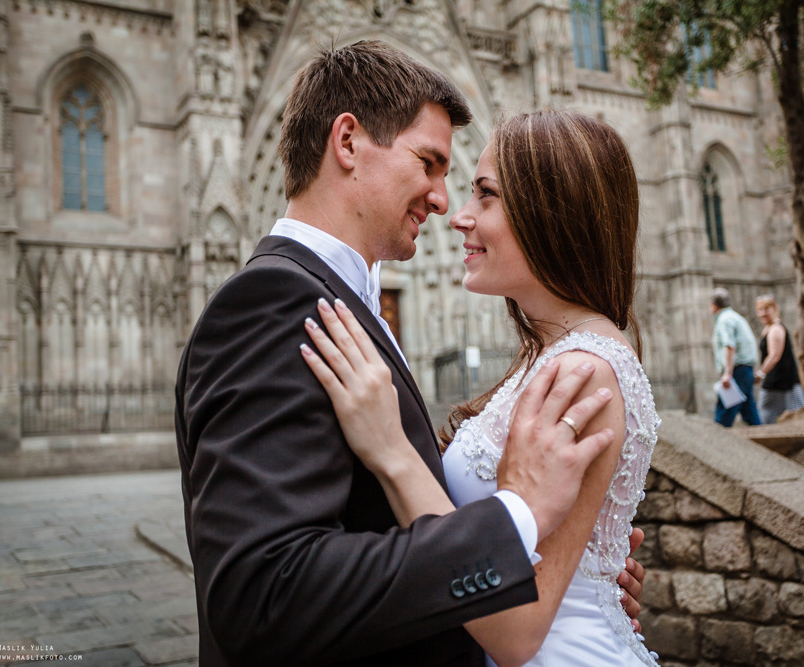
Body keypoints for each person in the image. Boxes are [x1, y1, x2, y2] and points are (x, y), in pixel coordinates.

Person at [174, 42, 644, 667]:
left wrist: (572, 567)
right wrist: (513, 524)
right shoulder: (272, 301)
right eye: (429, 163)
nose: (447, 203)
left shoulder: (340, 298)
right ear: (347, 142)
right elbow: (260, 593)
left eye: (480, 190)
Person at [299, 110, 661, 666]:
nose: (459, 217)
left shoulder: (582, 370)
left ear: (552, 214)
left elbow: (517, 633)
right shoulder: (554, 355)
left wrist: (391, 449)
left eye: (485, 196)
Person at [710, 287, 761, 426]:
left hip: (737, 370)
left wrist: (727, 372)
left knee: (724, 412)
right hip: (745, 369)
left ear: (714, 305)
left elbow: (729, 345)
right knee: (749, 411)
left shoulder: (724, 320)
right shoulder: (737, 317)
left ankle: (714, 442)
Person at [753, 295, 804, 423]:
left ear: (775, 308)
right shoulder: (768, 328)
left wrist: (761, 373)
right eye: (759, 310)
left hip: (781, 380)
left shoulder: (776, 329)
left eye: (766, 309)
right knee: (795, 411)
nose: (762, 313)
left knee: (766, 412)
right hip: (781, 381)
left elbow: (774, 356)